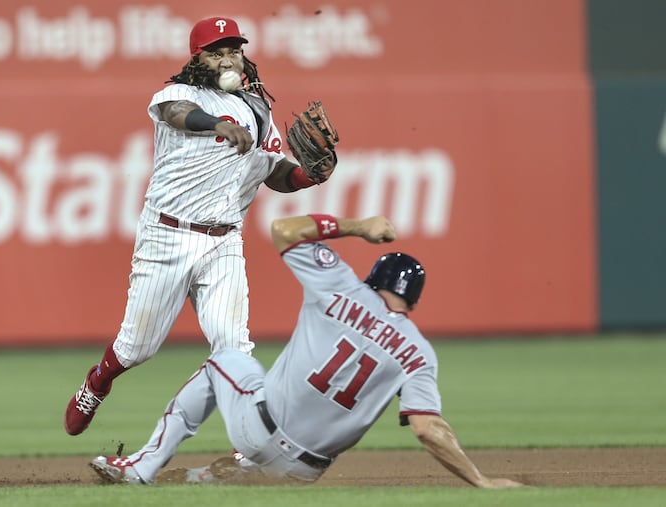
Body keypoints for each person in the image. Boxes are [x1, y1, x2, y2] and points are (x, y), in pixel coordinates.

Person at [89, 214, 524, 489]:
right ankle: (200, 480)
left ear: (375, 280)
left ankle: (142, 468)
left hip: (258, 430)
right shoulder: (418, 352)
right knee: (243, 478)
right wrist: (481, 481)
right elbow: (429, 429)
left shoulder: (342, 286)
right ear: (414, 301)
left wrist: (357, 228)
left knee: (222, 360)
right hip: (305, 474)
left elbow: (284, 230)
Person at [64, 17, 335, 436]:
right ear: (198, 58)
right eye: (216, 51)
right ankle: (98, 381)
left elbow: (273, 172)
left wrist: (306, 177)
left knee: (235, 350)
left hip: (224, 241)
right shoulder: (179, 93)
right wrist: (217, 124)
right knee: (137, 348)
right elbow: (178, 114)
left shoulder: (258, 108)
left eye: (233, 49)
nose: (227, 58)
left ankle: (246, 443)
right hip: (167, 235)